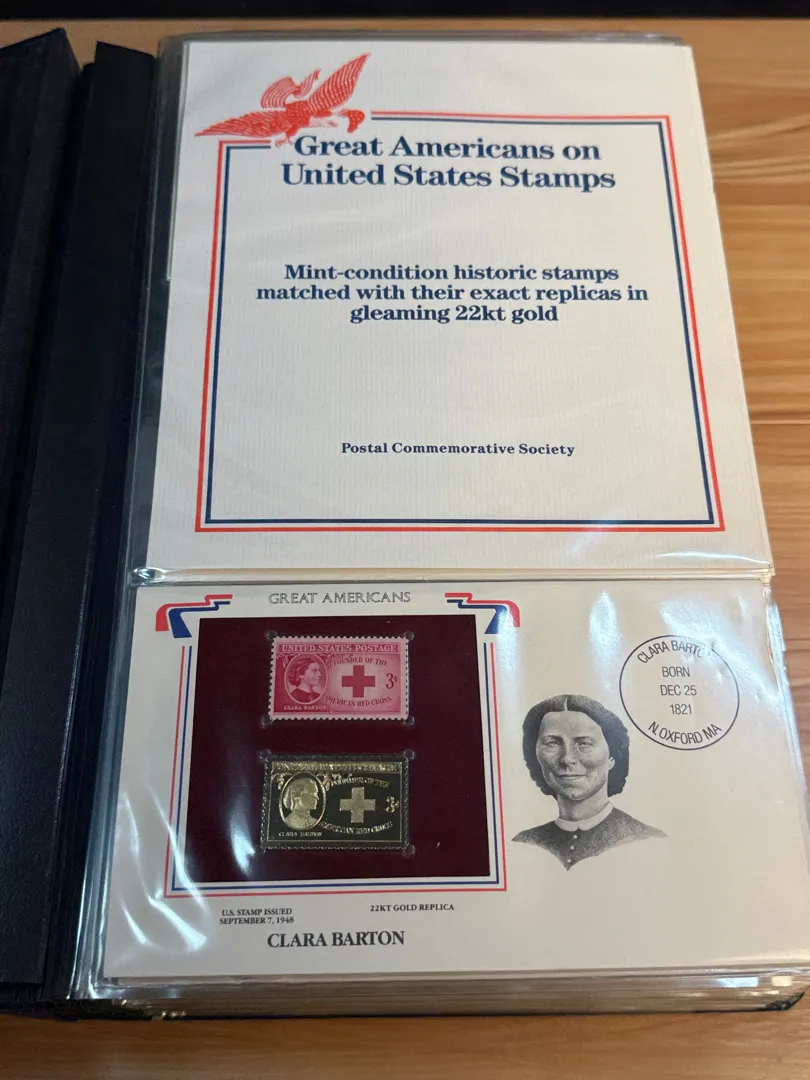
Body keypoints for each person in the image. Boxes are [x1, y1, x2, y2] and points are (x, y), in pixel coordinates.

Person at [513, 694, 664, 869]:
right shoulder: (524, 843)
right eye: (552, 743)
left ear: (613, 756)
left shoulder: (646, 839)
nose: (567, 758)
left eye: (584, 743)